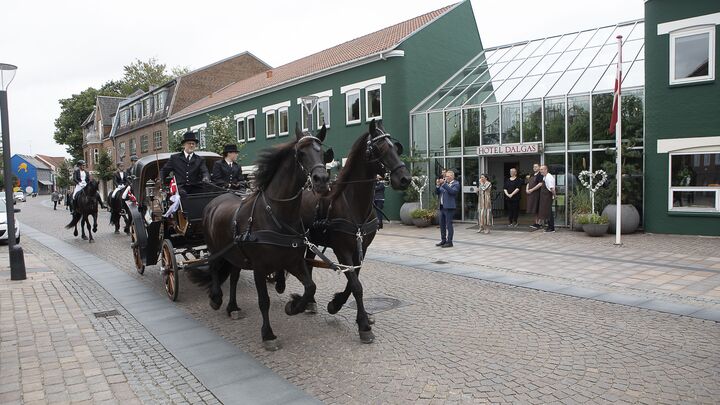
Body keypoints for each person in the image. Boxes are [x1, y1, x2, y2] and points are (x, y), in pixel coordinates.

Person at [159, 131, 210, 196]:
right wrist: (161, 179)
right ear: (184, 145)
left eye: (193, 144)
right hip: (180, 188)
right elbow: (164, 170)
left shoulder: (200, 159)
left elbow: (205, 171)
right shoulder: (175, 158)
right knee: (182, 194)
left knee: (207, 194)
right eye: (189, 143)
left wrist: (206, 177)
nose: (191, 145)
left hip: (196, 187)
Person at [435, 170, 460, 248]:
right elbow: (437, 192)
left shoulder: (456, 184)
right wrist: (438, 186)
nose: (446, 177)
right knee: (442, 224)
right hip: (442, 207)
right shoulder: (444, 184)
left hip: (449, 207)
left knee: (449, 225)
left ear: (452, 177)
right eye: (446, 176)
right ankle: (443, 240)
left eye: (448, 176)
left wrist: (444, 184)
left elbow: (452, 192)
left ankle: (449, 242)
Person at [526, 163, 544, 230]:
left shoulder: (540, 175)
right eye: (533, 167)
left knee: (538, 209)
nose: (534, 168)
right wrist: (527, 190)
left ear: (539, 167)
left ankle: (539, 223)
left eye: (536, 166)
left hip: (537, 194)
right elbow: (528, 183)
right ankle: (535, 223)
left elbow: (540, 184)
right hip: (531, 194)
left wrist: (532, 190)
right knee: (534, 209)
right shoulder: (531, 175)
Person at [538, 165, 556, 233]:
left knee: (548, 212)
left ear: (546, 170)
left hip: (547, 197)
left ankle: (551, 228)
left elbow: (552, 188)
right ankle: (549, 227)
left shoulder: (549, 177)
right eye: (540, 169)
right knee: (546, 212)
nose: (540, 171)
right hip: (545, 197)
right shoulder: (545, 177)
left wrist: (555, 195)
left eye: (542, 169)